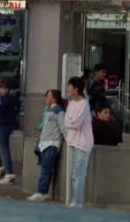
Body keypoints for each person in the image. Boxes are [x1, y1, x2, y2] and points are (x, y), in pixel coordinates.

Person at [27, 89, 66, 203]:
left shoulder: (58, 110)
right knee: (45, 168)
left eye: (47, 96)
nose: (46, 99)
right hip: (44, 143)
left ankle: (41, 192)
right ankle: (42, 191)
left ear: (54, 98)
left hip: (52, 144)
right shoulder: (48, 109)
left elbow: (63, 127)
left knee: (46, 169)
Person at [65, 75, 94, 208]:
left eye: (70, 87)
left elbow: (75, 123)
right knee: (72, 173)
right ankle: (75, 200)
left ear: (76, 89)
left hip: (82, 143)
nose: (68, 90)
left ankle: (77, 201)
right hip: (72, 141)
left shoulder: (84, 103)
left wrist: (70, 121)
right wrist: (70, 122)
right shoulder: (71, 103)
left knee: (79, 173)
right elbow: (67, 121)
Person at [0, 79, 19, 185]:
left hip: (5, 126)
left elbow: (0, 110)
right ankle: (0, 168)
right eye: (2, 88)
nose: (4, 90)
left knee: (4, 150)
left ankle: (9, 174)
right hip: (2, 125)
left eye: (6, 88)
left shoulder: (8, 99)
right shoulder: (2, 98)